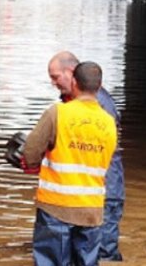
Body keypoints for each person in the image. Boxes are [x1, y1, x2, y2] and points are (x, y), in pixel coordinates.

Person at [23, 61, 118, 266]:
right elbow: (106, 162)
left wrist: (32, 166)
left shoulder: (58, 113)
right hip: (91, 210)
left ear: (74, 82)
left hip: (56, 208)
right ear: (99, 87)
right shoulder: (109, 122)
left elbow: (30, 151)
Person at [45, 51, 125, 262]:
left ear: (71, 74)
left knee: (102, 254)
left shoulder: (99, 108)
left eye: (55, 77)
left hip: (102, 193)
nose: (54, 83)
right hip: (85, 194)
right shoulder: (72, 104)